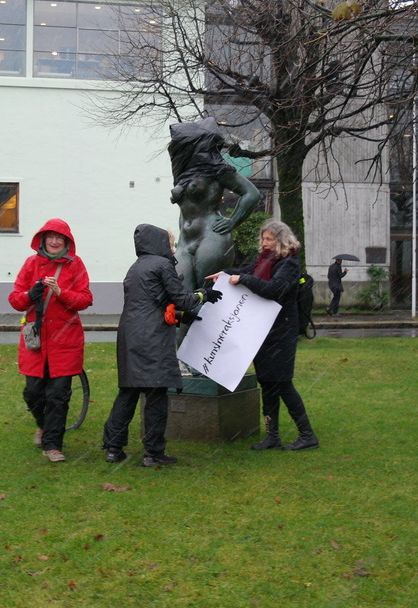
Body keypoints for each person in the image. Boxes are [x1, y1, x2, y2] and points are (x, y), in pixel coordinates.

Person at [102, 224, 223, 467]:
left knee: (128, 392)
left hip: (130, 335)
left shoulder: (136, 267)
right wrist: (203, 294)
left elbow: (148, 304)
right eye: (171, 243)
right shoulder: (163, 265)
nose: (173, 249)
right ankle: (153, 452)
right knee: (156, 395)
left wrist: (180, 317)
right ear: (160, 244)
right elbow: (182, 299)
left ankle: (114, 448)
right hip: (153, 339)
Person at [211, 220, 319, 451]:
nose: (264, 243)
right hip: (262, 331)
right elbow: (247, 272)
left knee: (283, 383)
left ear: (281, 240)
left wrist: (244, 280)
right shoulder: (265, 260)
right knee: (268, 383)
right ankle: (272, 436)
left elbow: (274, 290)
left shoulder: (290, 263)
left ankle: (307, 435)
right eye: (263, 238)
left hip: (281, 333)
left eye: (269, 239)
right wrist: (226, 274)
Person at [8, 219, 93, 463]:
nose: (55, 242)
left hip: (66, 340)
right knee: (33, 393)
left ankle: (53, 446)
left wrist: (61, 293)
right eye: (51, 238)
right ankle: (45, 426)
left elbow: (85, 299)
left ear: (67, 242)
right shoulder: (31, 264)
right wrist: (30, 295)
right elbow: (15, 299)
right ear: (43, 240)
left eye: (60, 238)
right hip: (36, 342)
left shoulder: (75, 265)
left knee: (58, 395)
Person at [168, 117, 261, 292]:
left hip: (211, 236)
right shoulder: (184, 172)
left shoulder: (215, 168)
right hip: (185, 241)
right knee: (182, 294)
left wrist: (232, 221)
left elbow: (252, 194)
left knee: (208, 295)